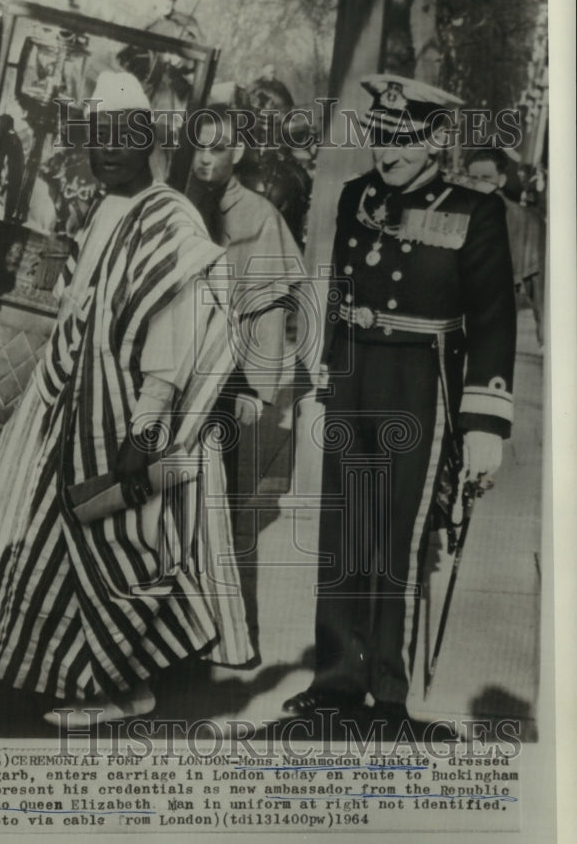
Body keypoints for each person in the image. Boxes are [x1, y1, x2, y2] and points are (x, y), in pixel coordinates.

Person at [0, 72, 254, 731]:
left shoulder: (169, 216)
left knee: (114, 548)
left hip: (123, 415)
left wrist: (146, 423)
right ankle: (34, 650)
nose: (107, 150)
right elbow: (76, 292)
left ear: (151, 140)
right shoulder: (105, 207)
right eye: (98, 137)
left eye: (122, 137)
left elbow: (177, 328)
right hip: (67, 406)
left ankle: (125, 687)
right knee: (47, 542)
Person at [283, 74, 516, 722]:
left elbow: (494, 320)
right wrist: (323, 372)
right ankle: (335, 677)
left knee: (395, 536)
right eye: (382, 137)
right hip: (354, 374)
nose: (388, 154)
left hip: (422, 379)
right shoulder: (358, 194)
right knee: (344, 530)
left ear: (439, 138)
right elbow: (339, 291)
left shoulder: (476, 210)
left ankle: (388, 690)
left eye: (405, 141)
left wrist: (484, 424)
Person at [186, 104, 305, 494]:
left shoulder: (260, 217)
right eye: (198, 147)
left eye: (217, 148)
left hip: (224, 372)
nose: (205, 158)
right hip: (169, 366)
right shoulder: (179, 204)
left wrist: (255, 388)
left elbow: (268, 313)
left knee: (213, 484)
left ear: (236, 153)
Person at [466, 147, 546, 348]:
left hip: (507, 318)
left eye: (485, 177)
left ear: (501, 180)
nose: (478, 184)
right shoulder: (460, 213)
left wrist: (545, 334)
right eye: (473, 178)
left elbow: (541, 286)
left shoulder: (529, 220)